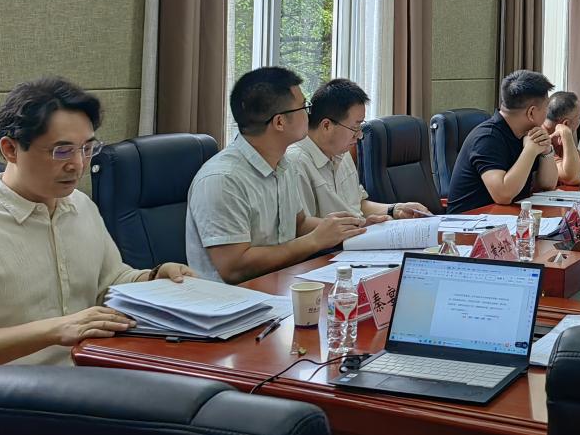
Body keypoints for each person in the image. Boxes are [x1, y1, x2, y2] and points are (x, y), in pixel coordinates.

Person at [0, 77, 194, 365]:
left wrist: (154, 278)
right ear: (10, 149)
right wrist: (55, 330)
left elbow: (110, 282)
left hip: (94, 370)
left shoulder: (81, 205)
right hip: (13, 388)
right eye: (62, 151)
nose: (78, 165)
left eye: (86, 148)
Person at [186, 67, 366, 284]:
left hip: (281, 284)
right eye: (304, 107)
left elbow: (299, 223)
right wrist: (314, 241)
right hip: (233, 299)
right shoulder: (223, 179)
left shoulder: (283, 164)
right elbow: (234, 268)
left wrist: (354, 228)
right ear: (279, 122)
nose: (310, 115)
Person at [287, 78, 431, 221]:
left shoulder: (341, 152)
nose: (360, 135)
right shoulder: (297, 164)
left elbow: (358, 205)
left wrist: (395, 209)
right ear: (326, 126)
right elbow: (303, 227)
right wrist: (360, 226)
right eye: (355, 128)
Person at [444, 70, 560, 214]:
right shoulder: (487, 138)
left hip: (505, 217)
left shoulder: (527, 134)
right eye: (546, 107)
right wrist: (529, 151)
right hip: (469, 222)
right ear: (531, 113)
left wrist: (546, 150)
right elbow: (503, 195)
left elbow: (548, 184)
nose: (547, 113)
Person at [543, 91, 580, 186]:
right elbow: (571, 178)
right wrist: (566, 134)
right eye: (579, 118)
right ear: (566, 123)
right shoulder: (543, 138)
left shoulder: (560, 134)